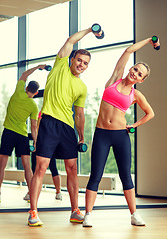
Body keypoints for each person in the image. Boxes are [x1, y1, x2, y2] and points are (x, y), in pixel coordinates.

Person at [28, 26, 100, 227]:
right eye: (79, 60)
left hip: (67, 129)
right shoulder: (59, 66)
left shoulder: (82, 87)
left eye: (85, 63)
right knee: (41, 168)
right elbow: (69, 41)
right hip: (49, 123)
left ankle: (75, 211)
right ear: (71, 59)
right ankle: (33, 211)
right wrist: (89, 31)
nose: (81, 64)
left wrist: (82, 136)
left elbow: (79, 114)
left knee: (72, 168)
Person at [83, 37, 158, 227]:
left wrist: (134, 125)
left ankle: (134, 215)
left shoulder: (136, 95)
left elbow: (150, 113)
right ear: (131, 69)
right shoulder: (115, 79)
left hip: (120, 137)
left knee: (125, 175)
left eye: (139, 74)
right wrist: (149, 40)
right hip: (101, 134)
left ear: (141, 79)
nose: (135, 73)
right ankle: (88, 214)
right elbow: (128, 51)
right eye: (135, 69)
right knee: (96, 175)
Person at [0, 65, 45, 202]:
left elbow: (25, 74)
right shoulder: (33, 105)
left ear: (26, 88)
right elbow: (33, 126)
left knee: (1, 165)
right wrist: (36, 141)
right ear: (36, 93)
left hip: (8, 133)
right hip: (22, 136)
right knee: (27, 167)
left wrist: (38, 67)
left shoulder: (19, 90)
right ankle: (32, 194)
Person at [23, 111, 62, 202]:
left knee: (52, 168)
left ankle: (58, 192)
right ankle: (31, 192)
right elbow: (36, 128)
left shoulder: (52, 113)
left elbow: (36, 127)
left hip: (47, 144)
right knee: (35, 170)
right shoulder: (42, 113)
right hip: (40, 143)